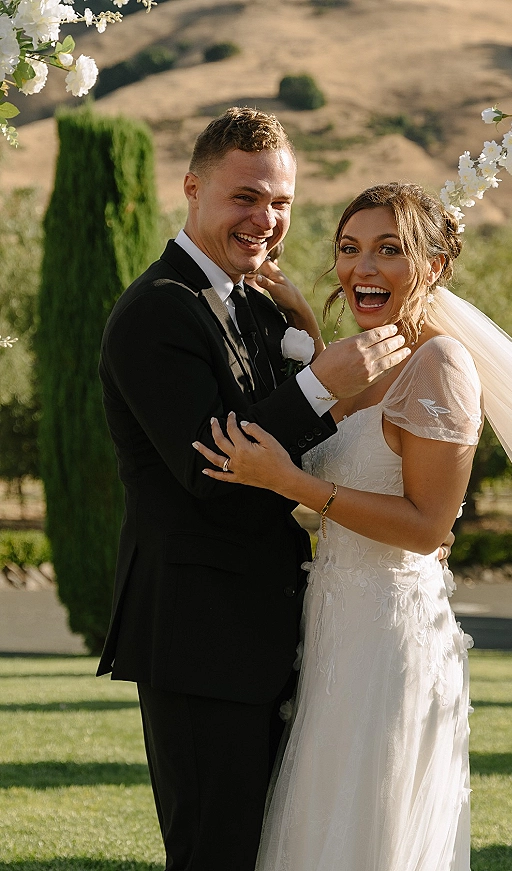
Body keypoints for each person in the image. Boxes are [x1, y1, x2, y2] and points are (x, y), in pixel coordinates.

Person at [95, 109, 413, 871]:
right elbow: (210, 465)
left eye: (281, 202)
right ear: (193, 189)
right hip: (199, 639)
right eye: (246, 197)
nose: (265, 219)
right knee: (215, 852)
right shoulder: (155, 311)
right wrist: (315, 385)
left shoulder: (254, 304)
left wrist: (304, 324)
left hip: (275, 637)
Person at [194, 182, 483, 870]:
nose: (362, 268)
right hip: (334, 624)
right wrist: (305, 321)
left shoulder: (443, 365)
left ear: (434, 266)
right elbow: (358, 442)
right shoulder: (369, 357)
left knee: (369, 827)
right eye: (349, 249)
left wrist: (291, 483)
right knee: (320, 824)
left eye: (390, 250)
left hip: (390, 633)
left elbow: (426, 524)